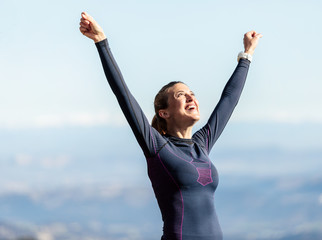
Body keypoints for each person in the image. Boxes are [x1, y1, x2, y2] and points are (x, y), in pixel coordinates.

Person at [79, 11, 262, 240]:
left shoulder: (201, 144)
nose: (190, 98)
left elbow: (229, 100)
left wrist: (247, 55)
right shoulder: (158, 147)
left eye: (192, 94)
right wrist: (101, 42)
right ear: (163, 112)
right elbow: (123, 95)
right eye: (181, 95)